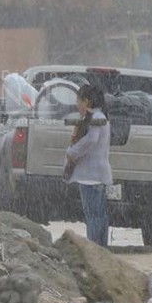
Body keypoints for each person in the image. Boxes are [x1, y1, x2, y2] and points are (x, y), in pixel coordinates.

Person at [64, 84, 112, 248]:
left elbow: (91, 140)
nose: (77, 105)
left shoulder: (95, 118)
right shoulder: (100, 116)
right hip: (97, 174)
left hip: (90, 176)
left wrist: (72, 152)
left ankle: (93, 250)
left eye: (78, 100)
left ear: (87, 101)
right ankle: (101, 249)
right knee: (99, 215)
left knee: (93, 215)